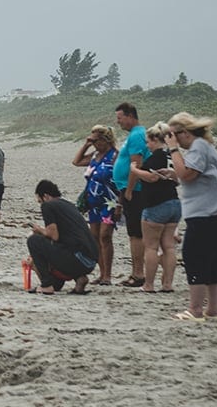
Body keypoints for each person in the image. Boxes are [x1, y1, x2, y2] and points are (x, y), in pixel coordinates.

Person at [168, 112, 217, 321]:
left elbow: (187, 174)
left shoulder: (198, 146)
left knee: (193, 256)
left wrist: (173, 149)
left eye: (173, 135)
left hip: (210, 210)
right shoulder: (202, 146)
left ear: (184, 133)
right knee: (212, 259)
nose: (172, 139)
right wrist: (172, 173)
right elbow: (192, 175)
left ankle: (195, 309)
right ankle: (213, 309)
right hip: (215, 209)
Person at [131, 123, 181, 293]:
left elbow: (152, 177)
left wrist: (135, 171)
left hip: (156, 204)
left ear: (155, 140)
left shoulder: (156, 157)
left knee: (151, 246)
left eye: (148, 142)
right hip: (174, 203)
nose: (146, 145)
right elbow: (177, 178)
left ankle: (149, 284)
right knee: (169, 246)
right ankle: (167, 284)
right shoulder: (170, 156)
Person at [27, 180, 100, 295]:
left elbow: (53, 236)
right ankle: (79, 278)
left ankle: (46, 285)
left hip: (77, 259)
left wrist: (39, 230)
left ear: (45, 196)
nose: (41, 204)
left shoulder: (48, 205)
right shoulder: (68, 205)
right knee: (65, 246)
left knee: (33, 241)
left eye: (40, 201)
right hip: (90, 261)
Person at [72, 125, 120, 285]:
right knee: (94, 238)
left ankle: (108, 275)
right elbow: (76, 161)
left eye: (96, 140)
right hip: (93, 204)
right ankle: (101, 273)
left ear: (105, 140)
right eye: (92, 141)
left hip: (110, 202)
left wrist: (121, 203)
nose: (94, 144)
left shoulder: (115, 156)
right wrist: (86, 144)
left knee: (105, 236)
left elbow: (122, 178)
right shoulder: (94, 156)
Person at [114, 102, 150, 288]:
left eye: (120, 118)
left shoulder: (137, 135)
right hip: (128, 190)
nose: (118, 122)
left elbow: (137, 164)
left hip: (134, 192)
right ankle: (137, 272)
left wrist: (128, 189)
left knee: (135, 234)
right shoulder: (134, 135)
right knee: (134, 233)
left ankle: (138, 273)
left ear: (130, 116)